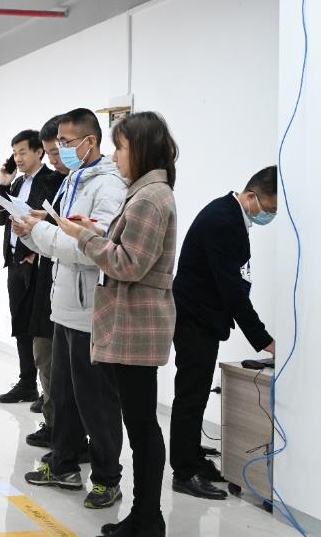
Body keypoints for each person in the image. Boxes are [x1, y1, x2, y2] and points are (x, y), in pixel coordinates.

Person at [58, 111, 178, 537]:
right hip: (133, 322)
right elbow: (129, 250)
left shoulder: (149, 198)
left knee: (142, 426)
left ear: (140, 148)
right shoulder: (146, 193)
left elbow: (129, 265)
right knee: (140, 423)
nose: (114, 156)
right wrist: (96, 231)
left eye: (120, 147)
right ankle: (145, 515)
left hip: (136, 324)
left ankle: (148, 518)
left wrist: (84, 237)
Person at [15, 108, 127, 509]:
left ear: (90, 141)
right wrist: (30, 233)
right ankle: (63, 464)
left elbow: (91, 248)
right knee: (62, 396)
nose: (59, 150)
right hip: (63, 307)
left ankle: (107, 479)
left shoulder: (109, 187)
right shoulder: (73, 180)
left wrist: (43, 230)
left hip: (90, 312)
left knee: (95, 403)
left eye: (65, 142)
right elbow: (58, 243)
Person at [170, 166, 277, 500]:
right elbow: (232, 289)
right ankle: (183, 473)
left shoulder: (228, 214)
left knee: (197, 394)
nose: (270, 216)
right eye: (269, 209)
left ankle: (193, 458)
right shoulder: (223, 221)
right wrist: (264, 339)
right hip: (194, 320)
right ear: (252, 196)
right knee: (190, 396)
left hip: (202, 318)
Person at [0, 130, 53, 404]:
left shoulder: (52, 180)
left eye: (22, 152)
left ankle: (48, 391)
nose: (17, 158)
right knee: (20, 323)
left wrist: (34, 251)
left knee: (39, 326)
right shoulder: (17, 183)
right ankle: (27, 383)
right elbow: (0, 218)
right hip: (16, 262)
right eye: (15, 153)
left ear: (39, 152)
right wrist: (3, 184)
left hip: (38, 263)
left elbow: (53, 221)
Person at [25, 116, 68, 449]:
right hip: (49, 280)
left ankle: (66, 435)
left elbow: (77, 239)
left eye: (57, 151)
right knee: (44, 355)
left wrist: (44, 226)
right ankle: (56, 426)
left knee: (61, 366)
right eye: (51, 153)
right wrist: (32, 230)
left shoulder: (81, 184)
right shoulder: (61, 183)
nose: (54, 160)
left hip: (71, 291)